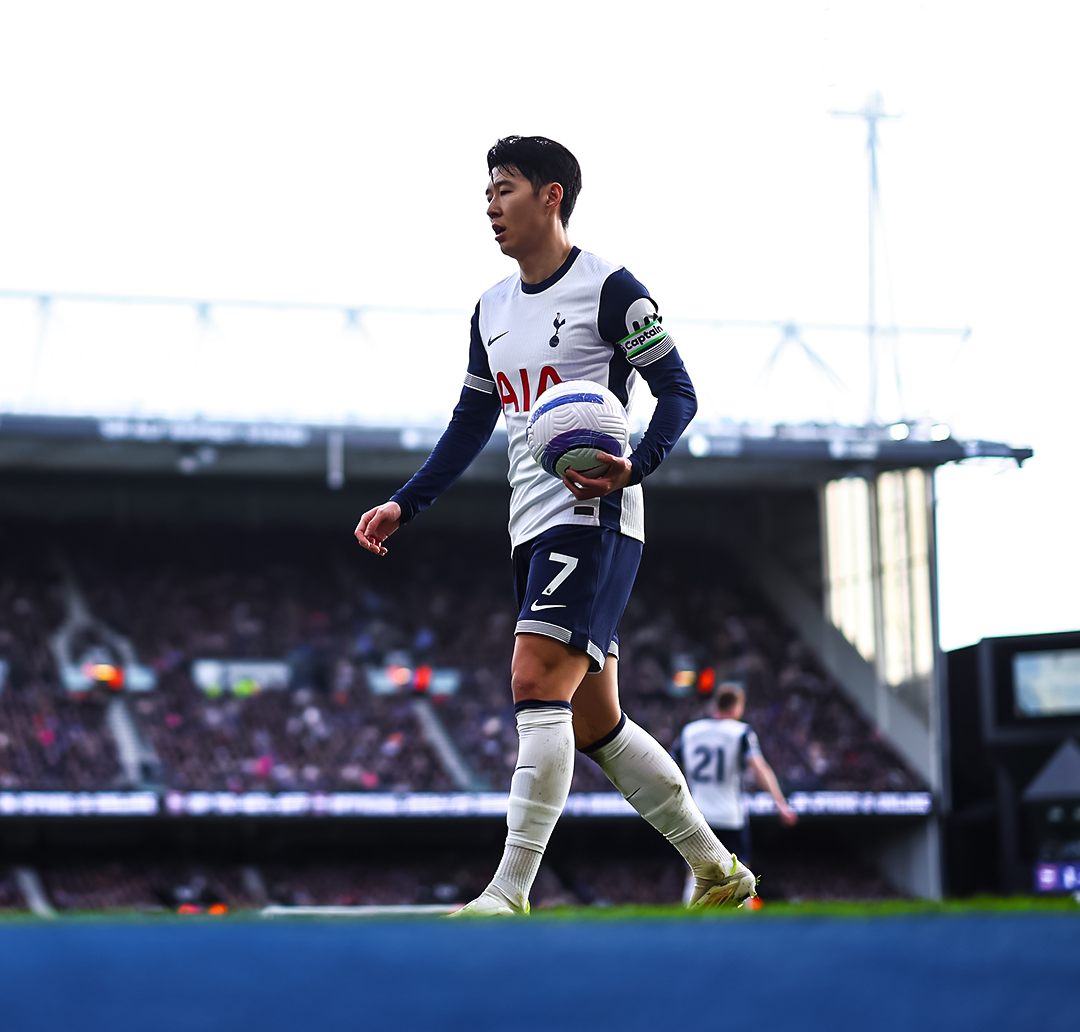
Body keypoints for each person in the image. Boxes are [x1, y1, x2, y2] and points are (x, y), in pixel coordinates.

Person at [354, 135, 755, 914]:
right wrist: (408, 499)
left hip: (595, 514)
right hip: (529, 523)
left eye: (503, 189)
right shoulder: (491, 310)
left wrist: (636, 464)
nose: (490, 207)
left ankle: (508, 893)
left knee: (534, 681)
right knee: (598, 720)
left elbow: (677, 391)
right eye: (485, 194)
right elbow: (472, 420)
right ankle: (719, 871)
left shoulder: (612, 288)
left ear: (551, 196)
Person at [675, 682, 798, 904]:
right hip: (729, 816)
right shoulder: (741, 732)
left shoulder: (690, 731)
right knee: (740, 876)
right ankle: (743, 930)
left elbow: (671, 765)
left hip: (697, 815)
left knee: (694, 876)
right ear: (737, 707)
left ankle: (689, 927)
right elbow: (759, 767)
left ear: (715, 705)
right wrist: (780, 802)